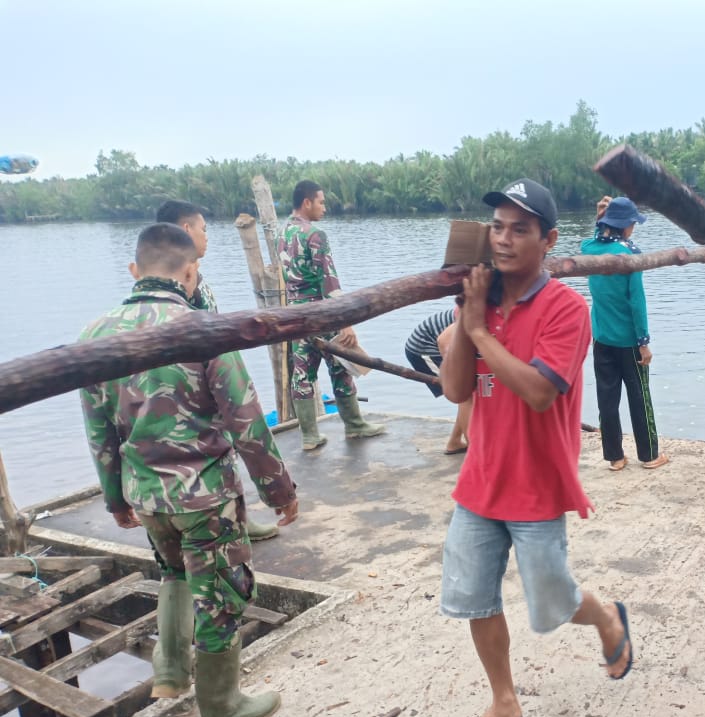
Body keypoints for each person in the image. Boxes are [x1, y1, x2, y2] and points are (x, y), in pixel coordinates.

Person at [78, 223, 298, 717]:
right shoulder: (204, 329)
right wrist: (278, 490)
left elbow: (98, 431)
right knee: (221, 594)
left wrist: (115, 498)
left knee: (173, 572)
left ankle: (171, 672)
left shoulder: (93, 335)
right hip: (205, 495)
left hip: (146, 496)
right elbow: (246, 419)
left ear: (135, 270)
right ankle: (221, 708)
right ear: (191, 272)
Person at [438, 178, 633, 717]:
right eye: (497, 227)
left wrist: (477, 330)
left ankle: (607, 619)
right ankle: (504, 700)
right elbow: (455, 391)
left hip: (539, 482)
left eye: (519, 229)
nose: (503, 239)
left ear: (548, 240)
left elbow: (540, 392)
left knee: (552, 601)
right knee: (474, 596)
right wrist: (467, 321)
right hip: (481, 479)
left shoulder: (567, 309)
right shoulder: (479, 303)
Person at [156, 199, 280, 541]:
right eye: (203, 229)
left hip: (196, 377)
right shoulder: (183, 280)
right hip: (201, 381)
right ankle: (229, 519)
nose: (207, 237)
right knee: (218, 445)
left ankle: (232, 515)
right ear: (186, 230)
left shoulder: (180, 272)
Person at [278, 179, 383, 450]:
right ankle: (354, 425)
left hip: (296, 316)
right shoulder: (315, 235)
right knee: (340, 367)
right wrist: (345, 322)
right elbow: (329, 282)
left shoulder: (283, 233)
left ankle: (309, 436)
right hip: (322, 314)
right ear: (307, 202)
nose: (324, 207)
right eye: (321, 202)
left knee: (302, 373)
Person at [580, 196, 668, 471]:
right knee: (640, 397)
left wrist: (600, 221)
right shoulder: (630, 256)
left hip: (602, 338)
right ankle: (649, 455)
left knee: (607, 398)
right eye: (632, 223)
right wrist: (644, 342)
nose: (634, 228)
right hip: (629, 340)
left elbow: (593, 240)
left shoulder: (589, 250)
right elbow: (637, 302)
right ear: (626, 225)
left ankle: (615, 457)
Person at [404, 306, 472, 455]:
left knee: (469, 394)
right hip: (425, 347)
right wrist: (456, 373)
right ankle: (474, 449)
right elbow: (443, 341)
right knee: (467, 395)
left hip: (443, 343)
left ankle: (455, 442)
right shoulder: (476, 309)